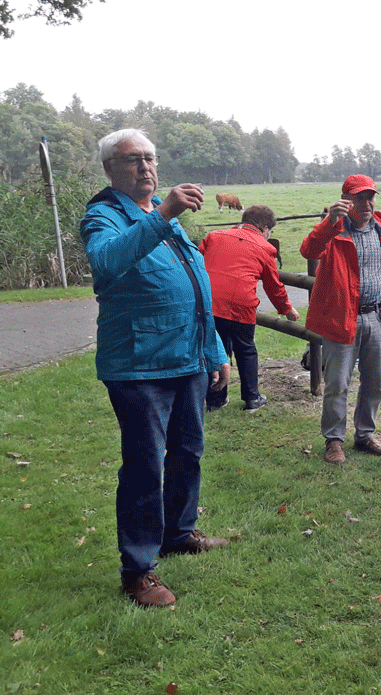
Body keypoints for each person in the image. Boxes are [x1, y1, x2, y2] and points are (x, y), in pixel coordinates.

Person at [80, 129, 231, 608]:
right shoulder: (103, 214)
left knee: (188, 451)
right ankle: (138, 570)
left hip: (186, 358)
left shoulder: (159, 216)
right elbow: (107, 262)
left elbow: (194, 286)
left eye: (150, 158)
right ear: (110, 168)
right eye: (132, 160)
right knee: (145, 465)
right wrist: (166, 211)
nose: (145, 167)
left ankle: (179, 532)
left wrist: (214, 351)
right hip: (139, 364)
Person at [300, 174, 381, 464]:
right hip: (341, 318)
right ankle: (334, 440)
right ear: (346, 201)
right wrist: (329, 222)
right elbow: (309, 250)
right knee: (337, 383)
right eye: (360, 197)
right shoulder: (334, 232)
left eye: (370, 197)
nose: (367, 203)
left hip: (376, 316)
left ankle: (365, 435)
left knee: (376, 381)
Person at [199, 205, 300, 412]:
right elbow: (273, 285)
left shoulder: (215, 236)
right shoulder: (264, 247)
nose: (269, 235)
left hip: (209, 302)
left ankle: (215, 399)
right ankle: (252, 398)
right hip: (240, 305)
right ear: (263, 228)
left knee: (215, 348)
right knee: (245, 349)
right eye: (270, 231)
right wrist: (287, 309)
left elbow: (196, 261)